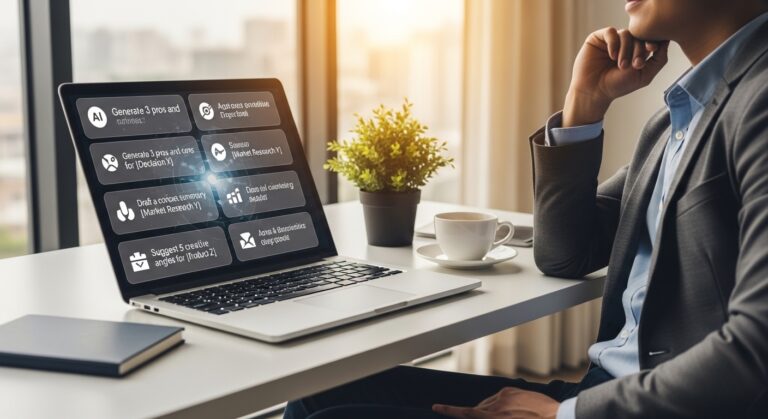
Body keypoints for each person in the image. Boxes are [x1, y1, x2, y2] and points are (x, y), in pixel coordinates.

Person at [285, 0, 768, 417]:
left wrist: (567, 416)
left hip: (645, 407)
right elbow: (565, 253)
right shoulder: (677, 115)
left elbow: (757, 346)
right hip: (603, 392)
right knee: (316, 396)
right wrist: (584, 104)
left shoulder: (758, 99)